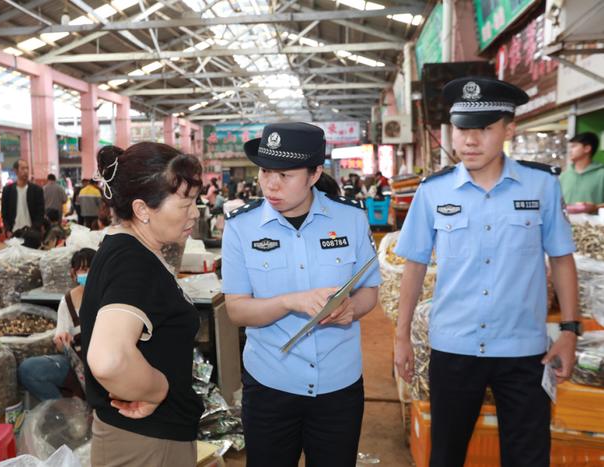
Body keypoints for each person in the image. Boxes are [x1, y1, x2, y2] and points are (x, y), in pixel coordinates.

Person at [393, 77, 579, 467]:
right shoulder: (434, 192)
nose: (470, 140)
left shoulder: (541, 185)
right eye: (462, 129)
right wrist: (401, 337)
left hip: (524, 351)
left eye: (484, 129)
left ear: (509, 129)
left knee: (528, 457)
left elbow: (562, 258)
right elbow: (414, 265)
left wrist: (569, 331)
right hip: (454, 348)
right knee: (446, 454)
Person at [221, 122, 381, 467]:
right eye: (265, 172)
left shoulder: (351, 218)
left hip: (339, 387)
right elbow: (236, 310)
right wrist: (289, 302)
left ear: (314, 174)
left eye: (285, 174)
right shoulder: (240, 228)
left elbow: (370, 290)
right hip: (270, 386)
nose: (271, 184)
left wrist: (352, 307)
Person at [81, 142, 204, 466]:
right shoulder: (133, 263)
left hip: (145, 437)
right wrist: (156, 389)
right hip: (147, 444)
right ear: (142, 209)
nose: (195, 212)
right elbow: (108, 359)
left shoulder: (126, 248)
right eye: (185, 203)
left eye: (195, 201)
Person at [19, 248, 96, 400]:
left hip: (108, 369)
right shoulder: (67, 302)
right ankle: (68, 412)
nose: (89, 274)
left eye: (93, 269)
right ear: (74, 274)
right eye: (84, 270)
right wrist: (62, 340)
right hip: (79, 368)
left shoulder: (111, 296)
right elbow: (61, 345)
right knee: (29, 369)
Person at [559, 132, 604, 213]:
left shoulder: (601, 174)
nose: (569, 151)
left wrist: (595, 207)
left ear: (587, 149)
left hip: (594, 225)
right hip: (565, 224)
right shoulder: (563, 175)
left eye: (574, 146)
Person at [1, 160, 45, 236]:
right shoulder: (7, 190)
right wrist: (7, 229)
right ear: (15, 170)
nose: (26, 171)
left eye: (27, 168)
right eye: (23, 168)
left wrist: (35, 229)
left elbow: (40, 212)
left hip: (32, 233)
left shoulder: (37, 190)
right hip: (14, 232)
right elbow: (4, 213)